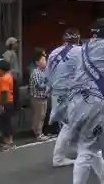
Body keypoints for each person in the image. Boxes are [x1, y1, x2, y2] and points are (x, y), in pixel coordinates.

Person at [67, 18, 104, 184]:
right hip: (93, 103)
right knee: (86, 149)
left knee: (89, 143)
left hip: (75, 101)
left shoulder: (82, 48)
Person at [46, 28, 81, 167]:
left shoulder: (54, 53)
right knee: (69, 124)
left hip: (56, 91)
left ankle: (77, 148)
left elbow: (47, 72)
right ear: (77, 39)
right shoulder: (79, 51)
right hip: (70, 91)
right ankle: (58, 157)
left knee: (69, 123)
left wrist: (49, 88)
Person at [0, 59, 15, 150]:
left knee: (5, 123)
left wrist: (1, 106)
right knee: (6, 122)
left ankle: (9, 141)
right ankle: (7, 140)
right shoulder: (8, 76)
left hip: (5, 103)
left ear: (2, 70)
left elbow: (4, 93)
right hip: (9, 102)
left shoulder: (4, 78)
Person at [29, 48, 49, 141]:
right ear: (37, 63)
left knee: (41, 115)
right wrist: (48, 84)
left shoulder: (43, 72)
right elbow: (39, 85)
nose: (45, 61)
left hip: (43, 97)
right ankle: (38, 133)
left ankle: (36, 130)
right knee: (39, 116)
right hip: (38, 98)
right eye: (43, 60)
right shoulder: (36, 72)